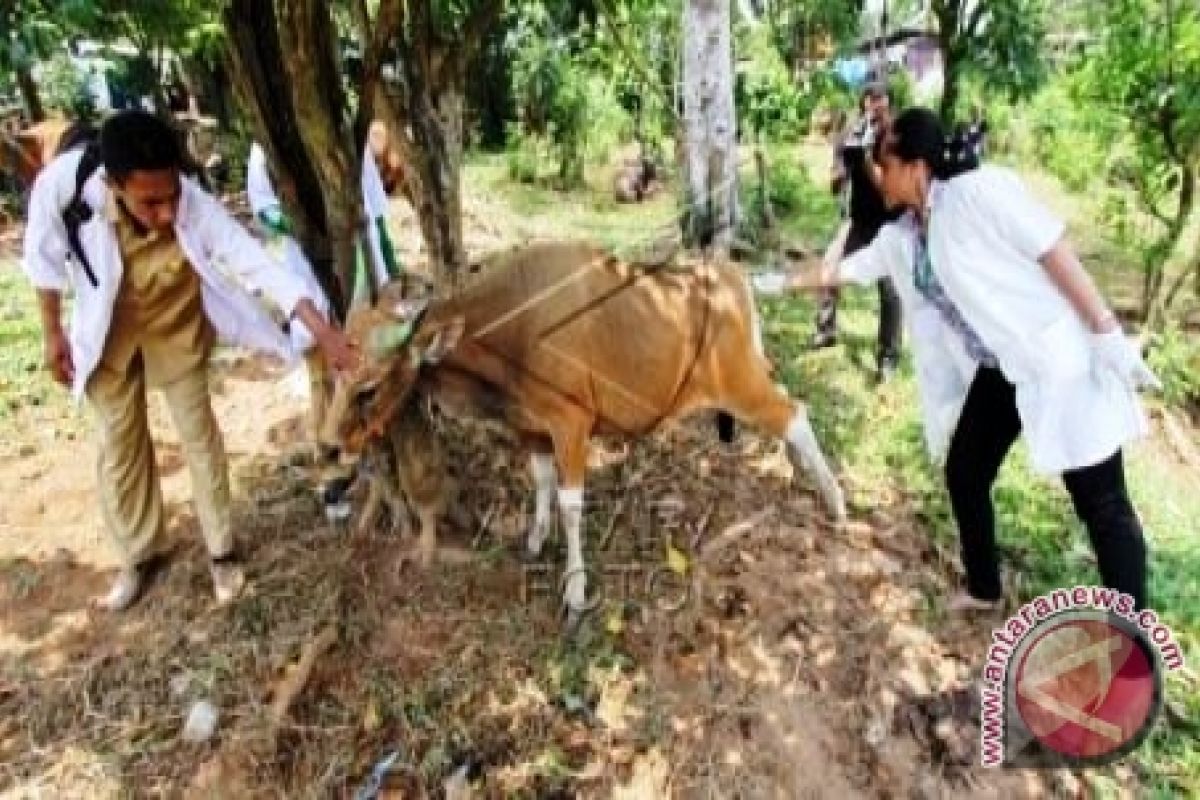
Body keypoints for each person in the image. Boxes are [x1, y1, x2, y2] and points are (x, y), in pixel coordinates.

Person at [787, 107, 1157, 611]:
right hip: (1004, 366)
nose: (878, 174)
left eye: (884, 162)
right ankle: (984, 589)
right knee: (966, 469)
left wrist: (1107, 331)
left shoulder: (979, 193)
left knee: (1102, 504)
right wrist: (772, 283)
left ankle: (1132, 640)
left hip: (1057, 359)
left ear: (915, 166)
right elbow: (848, 269)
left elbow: (1054, 251)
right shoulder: (910, 234)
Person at [23, 111, 360, 612]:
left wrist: (325, 332)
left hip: (175, 323)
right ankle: (139, 555)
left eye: (171, 197)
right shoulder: (62, 187)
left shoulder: (193, 203)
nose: (165, 212)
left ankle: (222, 552)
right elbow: (43, 260)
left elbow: (255, 263)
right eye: (150, 202)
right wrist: (53, 334)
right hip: (109, 332)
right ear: (114, 185)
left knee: (200, 437)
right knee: (118, 445)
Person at [814, 85, 904, 382]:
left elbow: (889, 190)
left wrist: (867, 159)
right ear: (863, 106)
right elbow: (833, 186)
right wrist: (847, 165)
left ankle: (888, 358)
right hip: (859, 222)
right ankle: (826, 331)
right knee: (829, 267)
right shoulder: (851, 135)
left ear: (888, 107)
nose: (877, 112)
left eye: (882, 106)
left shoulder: (894, 139)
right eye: (872, 106)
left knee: (890, 291)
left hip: (889, 226)